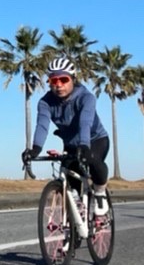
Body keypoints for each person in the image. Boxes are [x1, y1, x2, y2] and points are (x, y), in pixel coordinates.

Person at [20, 57, 111, 213]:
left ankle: (100, 194)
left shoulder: (86, 98)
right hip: (71, 144)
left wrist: (84, 145)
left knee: (94, 161)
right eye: (53, 81)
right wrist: (35, 149)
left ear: (73, 79)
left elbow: (85, 122)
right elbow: (42, 125)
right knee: (70, 180)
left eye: (63, 79)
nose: (59, 85)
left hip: (95, 139)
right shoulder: (45, 102)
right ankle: (74, 223)